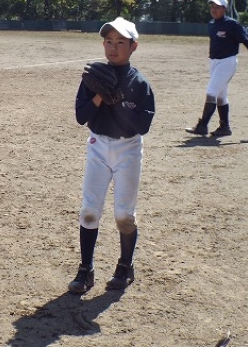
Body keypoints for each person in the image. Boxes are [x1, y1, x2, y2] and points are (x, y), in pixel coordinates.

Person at [69, 17, 155, 294]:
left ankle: (125, 266)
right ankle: (86, 270)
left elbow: (142, 126)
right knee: (89, 210)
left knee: (124, 215)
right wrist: (99, 96)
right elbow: (81, 117)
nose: (113, 48)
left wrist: (118, 103)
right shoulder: (93, 77)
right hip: (98, 145)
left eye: (120, 42)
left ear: (133, 46)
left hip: (128, 148)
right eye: (108, 41)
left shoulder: (140, 83)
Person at [185, 0, 248, 137]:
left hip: (227, 62)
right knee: (220, 96)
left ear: (224, 9)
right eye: (212, 7)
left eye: (217, 7)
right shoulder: (211, 24)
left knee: (211, 92)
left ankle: (202, 126)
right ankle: (225, 128)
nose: (214, 9)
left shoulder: (232, 24)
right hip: (214, 62)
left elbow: (245, 41)